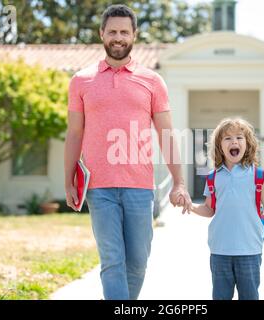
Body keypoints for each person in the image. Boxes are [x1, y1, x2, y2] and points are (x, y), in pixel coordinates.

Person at [64, 4, 192, 300]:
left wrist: (179, 181)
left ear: (134, 35)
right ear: (101, 34)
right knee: (112, 262)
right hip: (99, 187)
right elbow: (74, 133)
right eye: (112, 32)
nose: (118, 37)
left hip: (139, 186)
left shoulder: (152, 81)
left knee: (137, 262)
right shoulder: (81, 81)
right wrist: (68, 179)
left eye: (124, 31)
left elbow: (166, 133)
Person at [179, 118, 264, 300]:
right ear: (220, 146)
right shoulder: (213, 177)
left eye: (239, 137)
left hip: (249, 250)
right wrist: (191, 206)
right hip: (220, 250)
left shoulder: (257, 174)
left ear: (248, 144)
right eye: (227, 138)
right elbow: (209, 209)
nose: (234, 142)